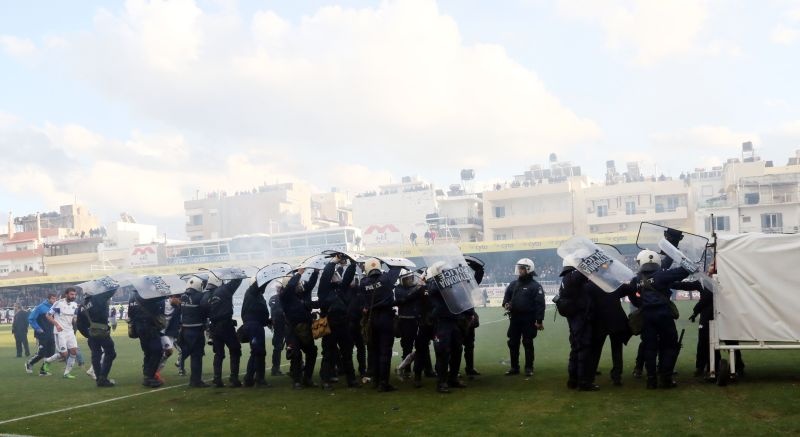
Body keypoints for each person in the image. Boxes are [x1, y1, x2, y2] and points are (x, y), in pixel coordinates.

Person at [619, 250, 691, 389]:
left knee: (649, 348)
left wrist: (641, 304)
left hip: (646, 317)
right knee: (669, 346)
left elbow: (632, 296)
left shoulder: (636, 279)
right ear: (657, 261)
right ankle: (665, 378)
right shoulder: (662, 275)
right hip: (664, 316)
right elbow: (684, 271)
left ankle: (651, 380)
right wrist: (684, 258)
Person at [425, 261, 468, 393]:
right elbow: (432, 290)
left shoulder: (452, 284)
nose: (448, 274)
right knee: (443, 352)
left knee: (457, 350)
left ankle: (453, 378)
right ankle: (441, 382)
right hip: (441, 322)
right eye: (445, 272)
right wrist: (442, 277)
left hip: (454, 320)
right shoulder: (433, 282)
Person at [361, 258, 403, 392]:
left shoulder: (363, 283)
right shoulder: (386, 279)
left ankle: (376, 380)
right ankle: (384, 383)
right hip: (385, 318)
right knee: (385, 351)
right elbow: (396, 267)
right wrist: (384, 262)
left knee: (374, 351)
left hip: (371, 319)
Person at [318, 254, 359, 388]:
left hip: (343, 324)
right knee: (328, 354)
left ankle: (351, 380)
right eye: (334, 275)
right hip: (329, 325)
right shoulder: (323, 290)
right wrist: (333, 262)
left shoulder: (340, 289)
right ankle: (326, 381)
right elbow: (325, 276)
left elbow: (347, 277)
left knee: (347, 353)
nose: (337, 277)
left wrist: (353, 263)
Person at [502, 258, 545, 377]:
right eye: (519, 268)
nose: (519, 270)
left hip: (529, 319)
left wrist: (539, 321)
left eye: (522, 268)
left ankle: (529, 368)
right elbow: (506, 299)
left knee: (527, 342)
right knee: (512, 342)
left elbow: (540, 305)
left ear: (529, 269)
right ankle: (514, 367)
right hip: (515, 318)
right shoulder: (513, 284)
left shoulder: (535, 286)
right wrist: (506, 304)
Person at [281, 268, 320, 389]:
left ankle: (307, 378)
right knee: (296, 355)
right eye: (297, 283)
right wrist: (298, 274)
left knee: (312, 352)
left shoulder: (301, 294)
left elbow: (310, 284)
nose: (299, 285)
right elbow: (290, 286)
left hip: (306, 328)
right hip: (293, 330)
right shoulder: (285, 296)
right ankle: (297, 381)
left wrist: (315, 272)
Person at [205, 271, 245, 388]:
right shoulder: (224, 290)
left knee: (218, 353)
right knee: (235, 350)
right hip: (226, 326)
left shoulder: (205, 296)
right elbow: (237, 280)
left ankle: (217, 379)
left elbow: (204, 311)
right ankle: (234, 379)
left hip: (214, 327)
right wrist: (233, 272)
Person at [79, 284, 117, 387]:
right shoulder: (97, 299)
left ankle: (99, 379)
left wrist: (88, 334)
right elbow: (110, 292)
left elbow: (79, 325)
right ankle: (102, 378)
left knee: (96, 355)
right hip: (102, 331)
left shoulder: (81, 306)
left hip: (91, 333)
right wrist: (113, 285)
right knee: (111, 353)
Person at [129, 288, 167, 388]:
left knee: (148, 352)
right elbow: (160, 300)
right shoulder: (146, 294)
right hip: (149, 327)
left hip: (139, 328)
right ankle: (149, 377)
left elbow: (130, 314)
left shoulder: (132, 297)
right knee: (157, 351)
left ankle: (147, 375)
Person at [43, 288, 80, 379]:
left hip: (70, 331)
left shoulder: (74, 305)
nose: (73, 296)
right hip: (60, 332)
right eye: (71, 294)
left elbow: (73, 318)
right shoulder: (59, 303)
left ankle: (66, 373)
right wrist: (57, 325)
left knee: (74, 351)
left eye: (74, 295)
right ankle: (47, 361)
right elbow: (48, 315)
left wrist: (75, 321)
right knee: (64, 354)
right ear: (66, 294)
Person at [393, 269, 423, 381]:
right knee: (407, 347)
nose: (410, 280)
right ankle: (406, 370)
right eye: (407, 279)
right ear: (401, 280)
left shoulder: (416, 288)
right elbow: (406, 297)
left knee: (422, 346)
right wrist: (418, 288)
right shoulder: (398, 289)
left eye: (411, 278)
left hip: (417, 319)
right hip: (405, 321)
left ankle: (427, 369)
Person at [180, 275, 210, 388]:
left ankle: (189, 374)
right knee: (197, 356)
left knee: (188, 353)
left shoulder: (183, 296)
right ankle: (196, 380)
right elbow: (205, 310)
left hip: (185, 330)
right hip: (196, 330)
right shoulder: (200, 296)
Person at [241, 278, 271, 387]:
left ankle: (250, 379)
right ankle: (258, 379)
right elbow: (258, 286)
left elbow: (259, 312)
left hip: (256, 326)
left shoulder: (256, 295)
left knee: (257, 352)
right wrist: (267, 278)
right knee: (258, 352)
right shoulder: (252, 292)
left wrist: (267, 321)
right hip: (254, 327)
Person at [26, 293, 57, 375]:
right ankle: (30, 363)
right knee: (42, 353)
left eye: (55, 299)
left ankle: (43, 371)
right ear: (48, 299)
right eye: (53, 299)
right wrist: (37, 328)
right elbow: (31, 318)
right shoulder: (40, 307)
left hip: (52, 333)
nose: (54, 300)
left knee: (51, 353)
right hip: (42, 333)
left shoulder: (55, 308)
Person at [156, 292, 182, 383]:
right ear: (173, 297)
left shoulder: (178, 307)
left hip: (170, 332)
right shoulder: (161, 303)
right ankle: (155, 372)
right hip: (161, 332)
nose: (180, 302)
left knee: (168, 353)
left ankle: (155, 370)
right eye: (179, 299)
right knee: (169, 350)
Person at [268, 292, 286, 376]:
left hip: (283, 325)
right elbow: (276, 310)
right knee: (278, 347)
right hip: (282, 325)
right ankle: (275, 368)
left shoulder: (273, 298)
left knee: (292, 345)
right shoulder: (274, 298)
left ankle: (275, 368)